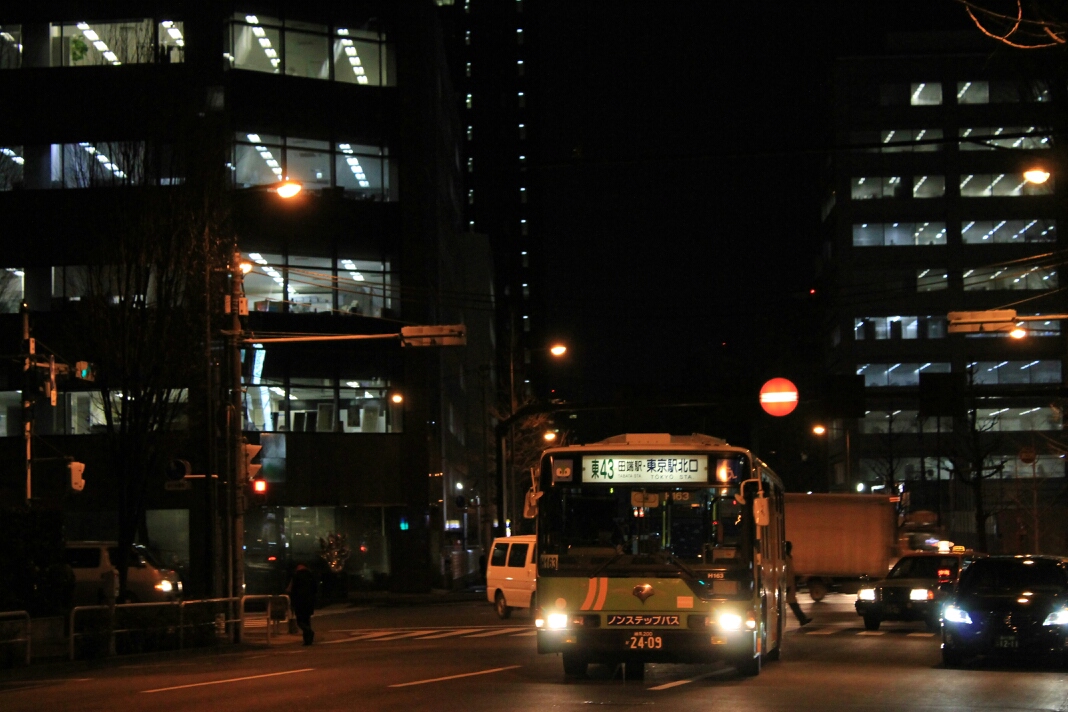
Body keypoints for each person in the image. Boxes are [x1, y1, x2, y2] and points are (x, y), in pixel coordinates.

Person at [286, 563, 318, 645]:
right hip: (309, 601)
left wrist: (292, 601)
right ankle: (308, 640)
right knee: (307, 620)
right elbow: (315, 588)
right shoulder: (311, 575)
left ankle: (308, 632)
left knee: (300, 621)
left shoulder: (296, 576)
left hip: (299, 601)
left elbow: (290, 589)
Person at [785, 541, 812, 626]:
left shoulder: (788, 557)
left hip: (789, 584)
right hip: (787, 585)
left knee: (793, 603)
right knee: (792, 603)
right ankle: (802, 619)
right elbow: (786, 573)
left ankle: (802, 619)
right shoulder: (785, 558)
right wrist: (787, 585)